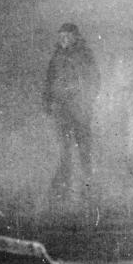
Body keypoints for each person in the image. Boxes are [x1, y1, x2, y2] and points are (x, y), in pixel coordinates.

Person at [43, 22, 100, 198]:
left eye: (67, 36)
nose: (64, 40)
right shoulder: (57, 56)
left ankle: (87, 186)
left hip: (80, 109)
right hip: (62, 108)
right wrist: (47, 101)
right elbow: (49, 80)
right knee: (64, 149)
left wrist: (87, 99)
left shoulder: (84, 55)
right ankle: (64, 187)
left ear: (75, 37)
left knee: (84, 148)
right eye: (61, 37)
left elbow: (95, 79)